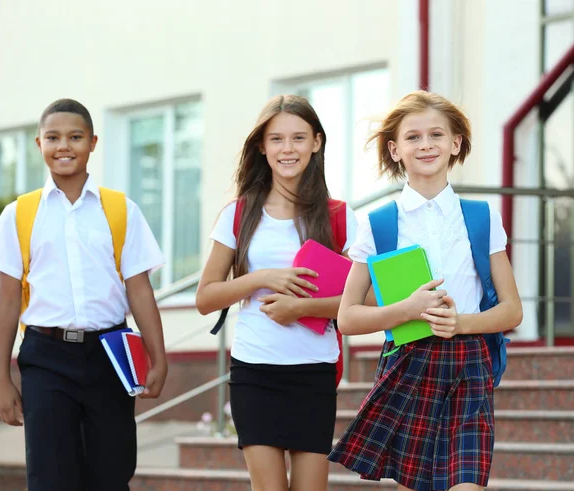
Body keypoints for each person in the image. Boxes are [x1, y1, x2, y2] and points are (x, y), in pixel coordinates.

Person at [328, 91, 523, 491]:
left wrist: (460, 323)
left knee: (467, 484)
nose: (426, 144)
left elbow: (512, 311)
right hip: (408, 364)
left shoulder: (483, 216)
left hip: (470, 365)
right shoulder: (378, 224)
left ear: (455, 144)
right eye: (413, 137)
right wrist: (408, 309)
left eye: (437, 134)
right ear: (395, 149)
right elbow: (347, 317)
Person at [0, 98, 168, 491]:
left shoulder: (120, 210)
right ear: (38, 144)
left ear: (93, 142)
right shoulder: (19, 214)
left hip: (110, 355)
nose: (64, 146)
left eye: (75, 137)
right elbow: (8, 299)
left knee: (112, 472)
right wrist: (0, 376)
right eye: (53, 137)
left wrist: (159, 357)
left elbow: (140, 291)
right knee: (51, 476)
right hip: (46, 359)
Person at [195, 94, 357, 491]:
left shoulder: (339, 215)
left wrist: (300, 308)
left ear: (316, 142)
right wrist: (261, 277)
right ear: (262, 147)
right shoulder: (239, 213)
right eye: (277, 139)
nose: (288, 149)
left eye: (299, 138)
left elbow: (363, 301)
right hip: (255, 372)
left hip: (314, 373)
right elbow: (205, 298)